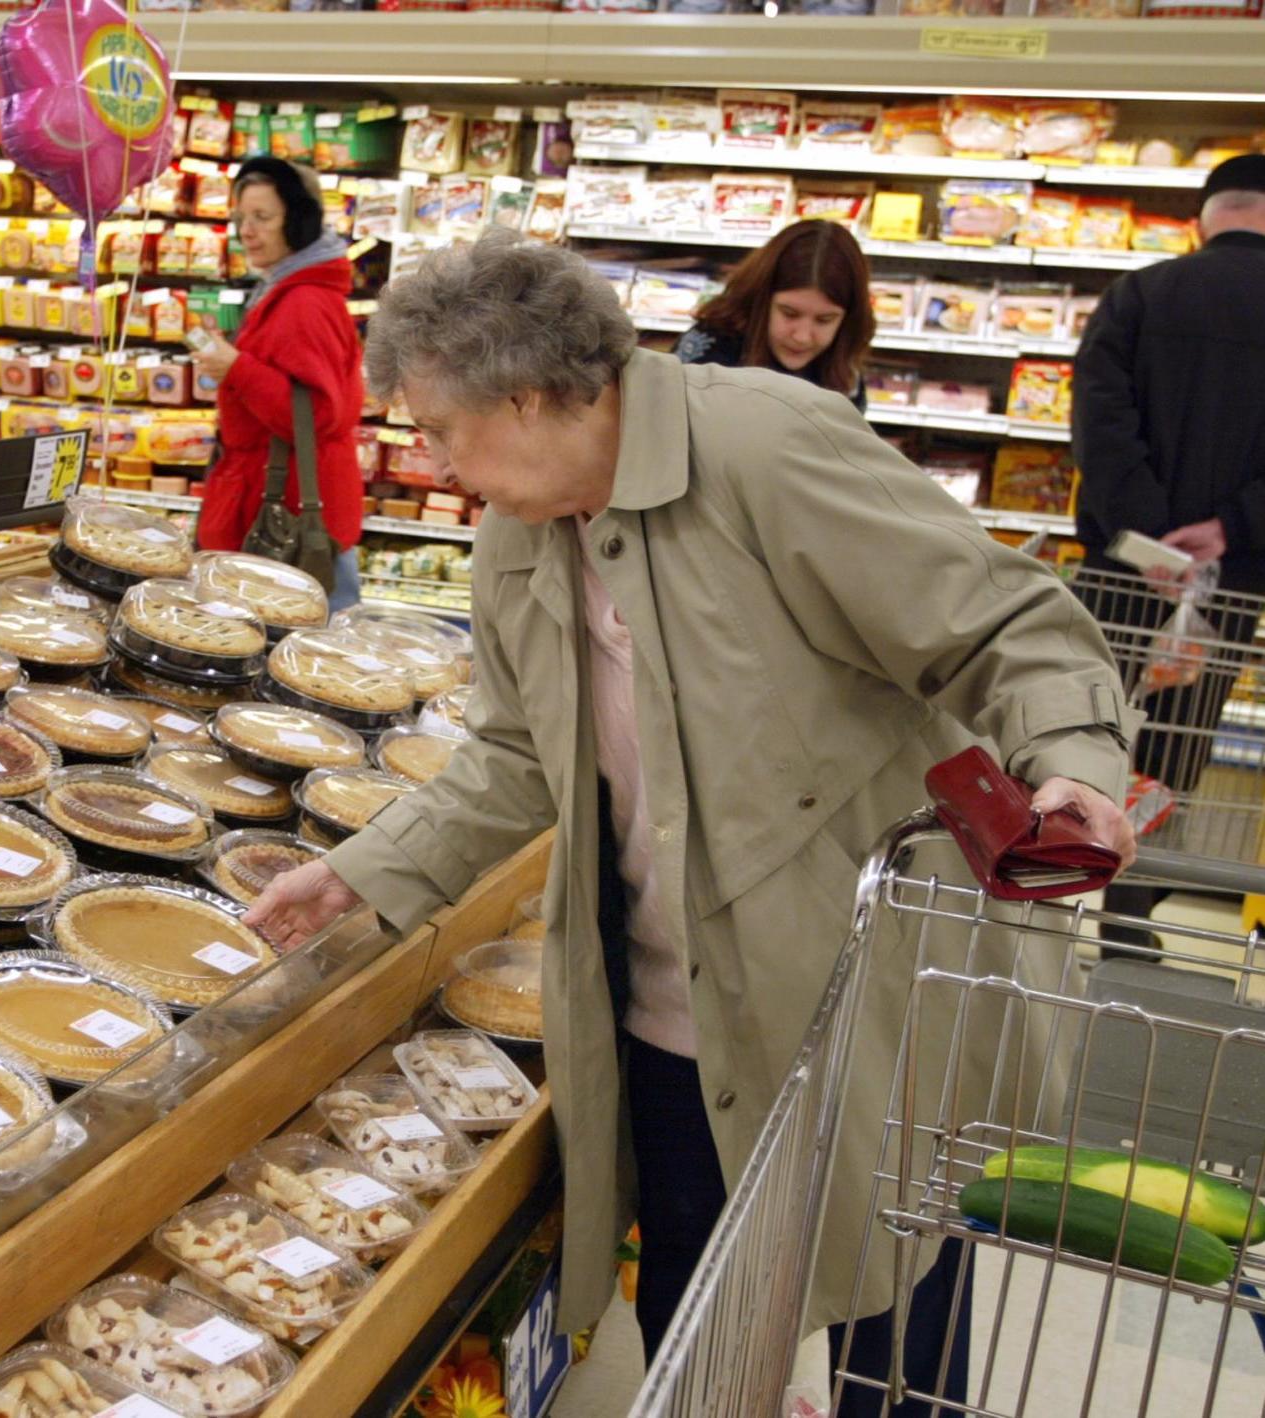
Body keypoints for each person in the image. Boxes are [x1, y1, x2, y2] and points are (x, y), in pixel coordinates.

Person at [244, 230, 1139, 1411]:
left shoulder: (767, 446)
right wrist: (362, 873)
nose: (434, 463)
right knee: (697, 1311)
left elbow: (1005, 624)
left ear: (524, 397)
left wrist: (1073, 765)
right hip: (671, 1010)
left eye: (440, 429)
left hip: (861, 994)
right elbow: (518, 756)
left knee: (894, 1312)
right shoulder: (518, 531)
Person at [1072, 153, 1265, 940]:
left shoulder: (1139, 293)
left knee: (1079, 719)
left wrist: (1150, 539)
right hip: (1230, 585)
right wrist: (1231, 529)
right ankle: (1128, 904)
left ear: (1202, 217)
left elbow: (1097, 420)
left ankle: (1037, 883)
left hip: (1122, 571)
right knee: (1174, 748)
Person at [191, 157, 366, 611]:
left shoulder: (304, 301)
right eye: (241, 218)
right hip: (280, 505)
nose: (247, 231)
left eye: (262, 217)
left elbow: (319, 415)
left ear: (300, 220)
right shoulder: (288, 288)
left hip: (288, 516)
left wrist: (237, 368)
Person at [675, 217, 874, 410]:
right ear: (761, 301)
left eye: (824, 320)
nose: (802, 337)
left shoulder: (844, 367)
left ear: (848, 320)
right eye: (789, 313)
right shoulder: (707, 354)